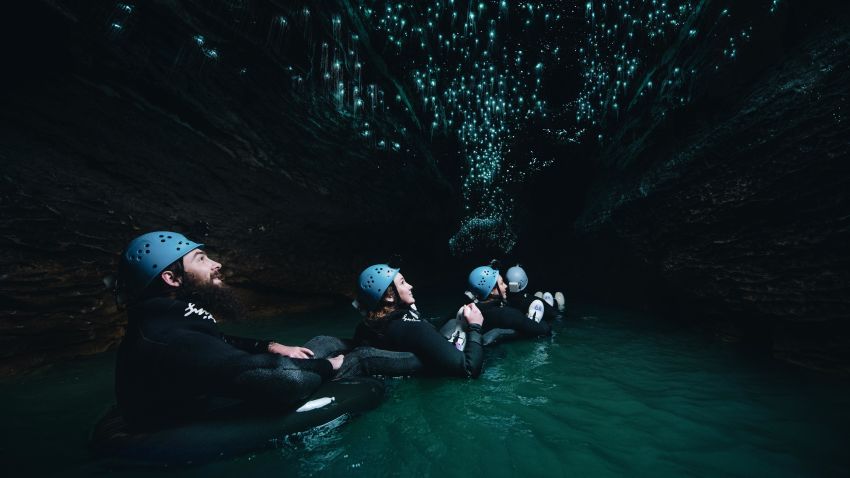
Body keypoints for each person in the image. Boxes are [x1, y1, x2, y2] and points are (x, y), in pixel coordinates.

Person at [113, 231, 345, 431]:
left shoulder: (166, 318)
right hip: (178, 424)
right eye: (201, 259)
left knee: (324, 342)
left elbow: (219, 341)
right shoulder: (169, 337)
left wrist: (272, 346)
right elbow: (285, 379)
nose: (217, 264)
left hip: (203, 392)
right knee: (347, 356)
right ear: (172, 278)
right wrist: (328, 366)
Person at [351, 264, 485, 378]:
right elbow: (469, 369)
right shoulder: (414, 328)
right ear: (389, 296)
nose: (410, 286)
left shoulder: (365, 327)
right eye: (403, 282)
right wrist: (475, 326)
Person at [465, 264, 552, 340]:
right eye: (502, 283)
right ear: (491, 291)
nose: (506, 286)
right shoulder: (508, 314)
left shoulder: (468, 310)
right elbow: (543, 330)